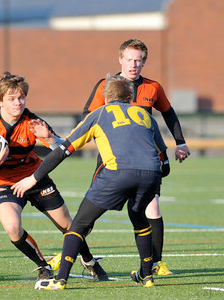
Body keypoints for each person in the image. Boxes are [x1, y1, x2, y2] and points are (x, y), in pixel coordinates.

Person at [12, 76, 170, 290]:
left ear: (106, 98)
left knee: (78, 225)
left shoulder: (100, 114)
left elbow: (64, 150)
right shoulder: (144, 114)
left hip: (118, 173)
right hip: (152, 173)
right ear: (130, 97)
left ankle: (60, 280)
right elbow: (164, 157)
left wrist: (33, 178)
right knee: (139, 218)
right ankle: (146, 275)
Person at [0, 71, 107, 281]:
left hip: (36, 178)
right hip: (4, 182)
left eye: (21, 97)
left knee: (68, 226)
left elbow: (65, 149)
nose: (18, 103)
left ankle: (88, 260)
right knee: (12, 227)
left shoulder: (34, 122)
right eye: (11, 99)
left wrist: (50, 137)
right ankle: (43, 266)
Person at [82, 39, 190, 276]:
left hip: (145, 160)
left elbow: (168, 114)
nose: (134, 64)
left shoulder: (153, 87)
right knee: (90, 213)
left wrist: (180, 142)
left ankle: (155, 263)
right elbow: (87, 116)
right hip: (111, 160)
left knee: (153, 208)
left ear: (144, 62)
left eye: (139, 60)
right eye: (130, 59)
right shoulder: (106, 86)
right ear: (120, 59)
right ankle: (77, 254)